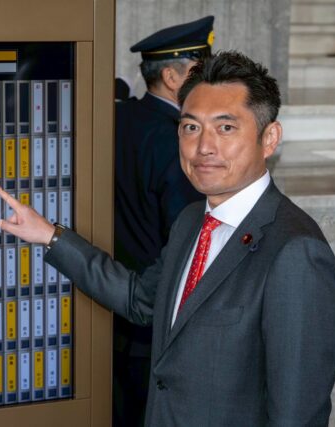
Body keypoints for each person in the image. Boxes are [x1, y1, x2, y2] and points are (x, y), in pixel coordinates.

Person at [0, 51, 335, 426]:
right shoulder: (192, 220)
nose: (203, 147)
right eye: (191, 127)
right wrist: (50, 236)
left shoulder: (295, 251)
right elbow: (140, 301)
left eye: (226, 128)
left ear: (269, 137)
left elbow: (297, 414)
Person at [114, 16, 213, 426]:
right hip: (155, 323)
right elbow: (185, 237)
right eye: (199, 70)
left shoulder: (120, 119)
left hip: (114, 310)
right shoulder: (176, 142)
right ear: (172, 78)